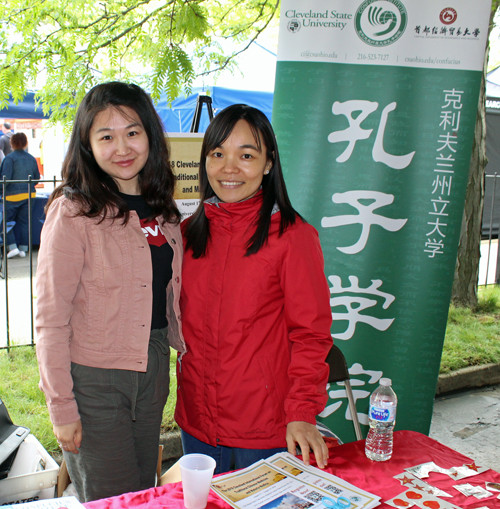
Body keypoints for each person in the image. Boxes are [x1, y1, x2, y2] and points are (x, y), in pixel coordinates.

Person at [35, 82, 185, 502]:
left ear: (150, 137)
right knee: (111, 498)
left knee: (143, 491)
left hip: (153, 367)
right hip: (95, 379)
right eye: (106, 136)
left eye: (132, 132)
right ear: (88, 144)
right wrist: (62, 407)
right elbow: (50, 318)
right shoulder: (74, 211)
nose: (122, 147)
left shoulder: (163, 209)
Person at [175, 104, 333, 474]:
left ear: (267, 163)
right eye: (218, 154)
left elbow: (311, 335)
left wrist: (302, 411)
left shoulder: (292, 237)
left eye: (246, 155)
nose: (229, 168)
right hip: (197, 422)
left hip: (266, 429)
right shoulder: (188, 234)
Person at [0, 132, 40, 258]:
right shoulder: (31, 158)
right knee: (25, 223)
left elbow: (5, 179)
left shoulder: (9, 159)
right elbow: (37, 178)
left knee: (5, 222)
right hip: (29, 195)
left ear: (11, 143)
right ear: (25, 143)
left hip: (11, 196)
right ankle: (23, 249)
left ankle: (12, 247)